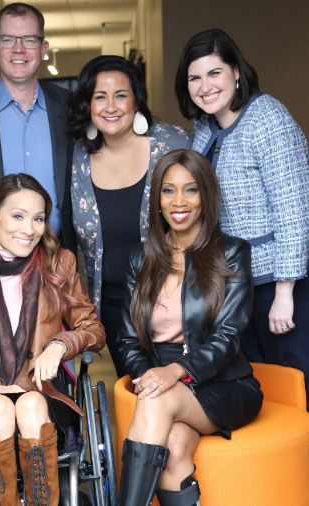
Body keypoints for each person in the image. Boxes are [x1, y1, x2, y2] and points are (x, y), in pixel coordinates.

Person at [0, 174, 104, 506]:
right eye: (18, 216)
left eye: (38, 218)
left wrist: (60, 345)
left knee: (29, 402)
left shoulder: (59, 265)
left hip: (46, 394)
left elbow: (93, 329)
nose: (29, 229)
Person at [115, 150, 262, 506]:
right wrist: (150, 374)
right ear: (158, 199)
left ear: (206, 196)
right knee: (174, 448)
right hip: (162, 382)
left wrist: (174, 372)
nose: (179, 201)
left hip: (224, 382)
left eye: (190, 190)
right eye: (168, 191)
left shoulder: (232, 252)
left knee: (155, 399)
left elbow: (228, 337)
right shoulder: (141, 258)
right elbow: (127, 341)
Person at [175, 29, 309, 406]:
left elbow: (294, 209)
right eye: (194, 78)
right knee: (260, 384)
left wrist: (285, 293)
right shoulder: (205, 127)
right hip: (234, 284)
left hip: (275, 283)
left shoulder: (268, 119)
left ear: (236, 72)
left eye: (214, 73)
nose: (205, 87)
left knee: (296, 382)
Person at [68, 55, 193, 378]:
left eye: (120, 95)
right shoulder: (79, 156)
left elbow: (205, 210)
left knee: (179, 392)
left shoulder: (173, 143)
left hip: (173, 300)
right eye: (100, 96)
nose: (111, 106)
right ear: (88, 104)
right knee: (138, 390)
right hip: (112, 306)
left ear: (136, 99)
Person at [0, 3, 77, 253]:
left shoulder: (70, 106)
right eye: (9, 39)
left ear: (43, 49)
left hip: (56, 254)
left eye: (29, 39)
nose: (18, 49)